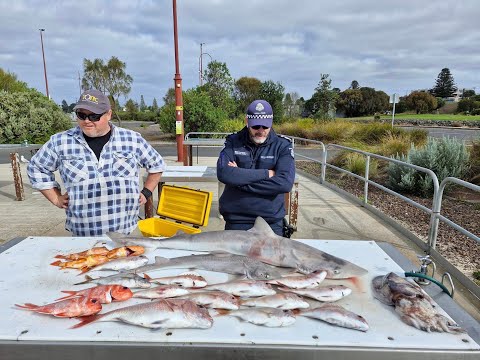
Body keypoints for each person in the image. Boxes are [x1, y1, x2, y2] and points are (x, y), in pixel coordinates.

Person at [27, 89, 166, 236]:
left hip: (126, 232)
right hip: (82, 235)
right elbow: (36, 168)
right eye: (81, 115)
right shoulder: (60, 142)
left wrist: (146, 192)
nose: (87, 121)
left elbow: (157, 164)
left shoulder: (132, 139)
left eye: (94, 116)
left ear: (108, 115)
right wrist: (56, 198)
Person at [216, 99, 295, 236]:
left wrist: (239, 181)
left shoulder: (283, 145)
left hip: (271, 223)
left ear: (271, 123)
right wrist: (267, 174)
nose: (260, 131)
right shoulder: (233, 142)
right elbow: (224, 174)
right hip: (236, 221)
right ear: (247, 121)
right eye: (256, 126)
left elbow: (284, 184)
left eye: (265, 127)